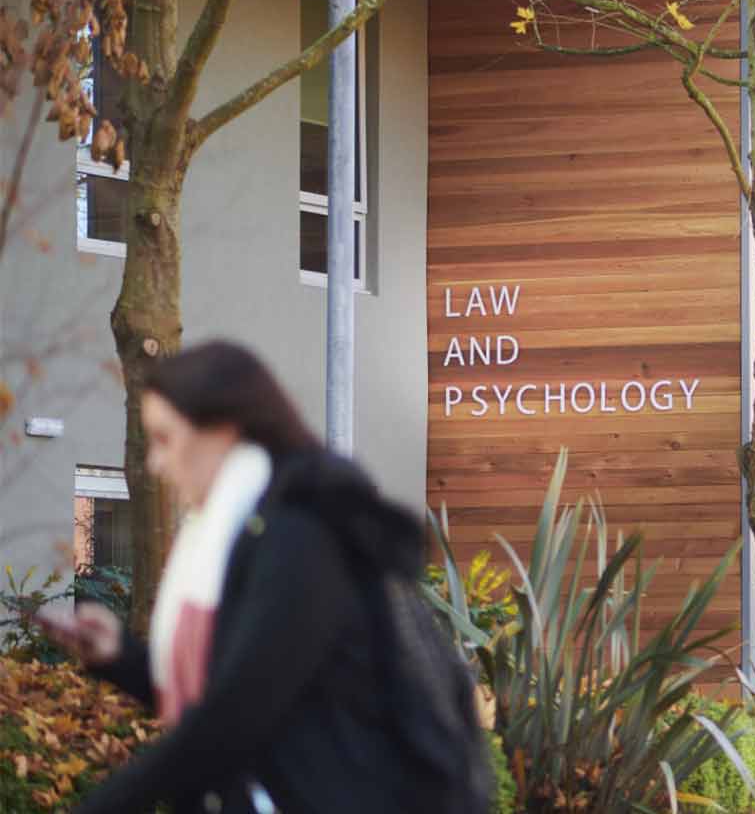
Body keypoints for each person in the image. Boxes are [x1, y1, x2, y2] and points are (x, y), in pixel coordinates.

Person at [37, 341, 487, 813]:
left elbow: (234, 716)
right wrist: (119, 654)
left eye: (166, 439)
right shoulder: (237, 533)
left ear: (225, 430)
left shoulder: (301, 536)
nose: (156, 463)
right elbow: (227, 692)